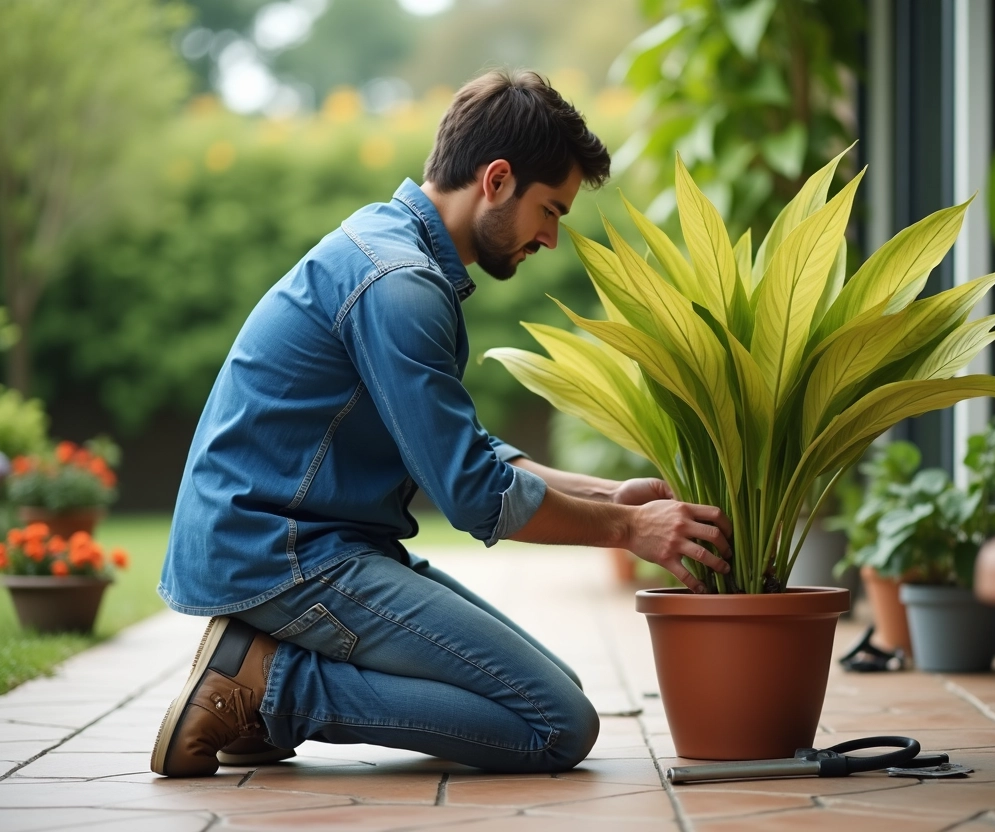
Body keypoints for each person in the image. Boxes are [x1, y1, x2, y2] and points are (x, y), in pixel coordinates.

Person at [150, 69, 733, 779]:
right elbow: (472, 493)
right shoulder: (400, 284)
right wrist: (626, 532)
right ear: (495, 180)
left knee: (553, 699)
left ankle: (264, 675)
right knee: (555, 726)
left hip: (303, 543)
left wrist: (612, 497)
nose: (551, 238)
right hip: (284, 555)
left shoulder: (392, 249)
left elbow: (466, 452)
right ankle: (272, 688)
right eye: (550, 210)